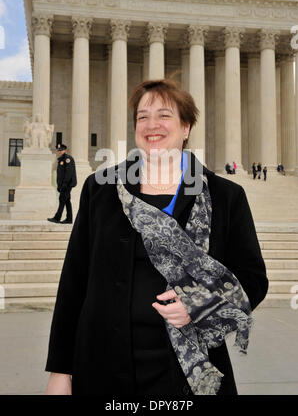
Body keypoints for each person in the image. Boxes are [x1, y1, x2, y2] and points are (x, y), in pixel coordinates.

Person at [45, 79, 268, 396]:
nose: (152, 125)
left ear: (186, 126)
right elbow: (74, 282)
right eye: (142, 116)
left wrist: (202, 304)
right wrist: (60, 370)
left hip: (189, 374)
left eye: (164, 115)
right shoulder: (102, 190)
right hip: (103, 366)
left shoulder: (224, 196)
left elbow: (252, 278)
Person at [47, 144, 77, 224]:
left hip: (67, 185)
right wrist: (59, 185)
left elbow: (69, 172)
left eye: (61, 150)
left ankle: (57, 218)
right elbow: (60, 174)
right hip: (63, 185)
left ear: (65, 150)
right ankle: (69, 219)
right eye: (58, 150)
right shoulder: (61, 159)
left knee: (62, 200)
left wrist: (64, 184)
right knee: (67, 201)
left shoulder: (67, 159)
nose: (59, 152)